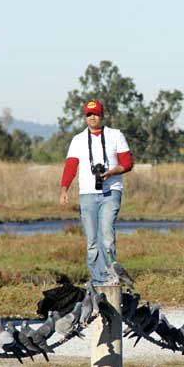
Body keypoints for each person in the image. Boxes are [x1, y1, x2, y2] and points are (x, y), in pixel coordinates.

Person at [59, 99, 133, 286]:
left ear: (102, 115)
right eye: (89, 114)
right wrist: (64, 188)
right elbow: (70, 166)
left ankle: (111, 277)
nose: (92, 117)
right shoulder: (78, 139)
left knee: (106, 235)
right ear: (85, 117)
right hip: (87, 193)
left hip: (111, 191)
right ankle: (98, 279)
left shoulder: (115, 135)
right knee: (92, 241)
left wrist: (111, 172)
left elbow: (127, 162)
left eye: (96, 114)